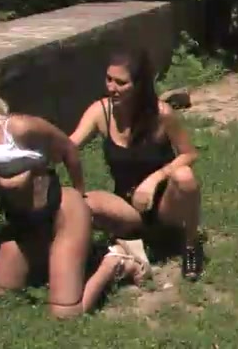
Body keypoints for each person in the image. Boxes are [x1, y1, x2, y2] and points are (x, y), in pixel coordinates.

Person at [0, 61, 148, 318]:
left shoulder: (19, 128)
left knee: (66, 314)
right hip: (25, 224)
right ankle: (64, 247)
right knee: (2, 298)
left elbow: (68, 149)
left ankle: (115, 262)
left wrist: (79, 194)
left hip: (61, 211)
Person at [70, 48, 204, 281]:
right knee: (81, 202)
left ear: (139, 85)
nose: (112, 87)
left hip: (164, 206)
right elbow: (70, 145)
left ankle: (191, 246)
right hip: (127, 206)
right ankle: (76, 261)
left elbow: (189, 154)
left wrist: (154, 179)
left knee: (185, 176)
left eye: (121, 82)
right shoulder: (101, 111)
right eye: (109, 79)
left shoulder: (161, 114)